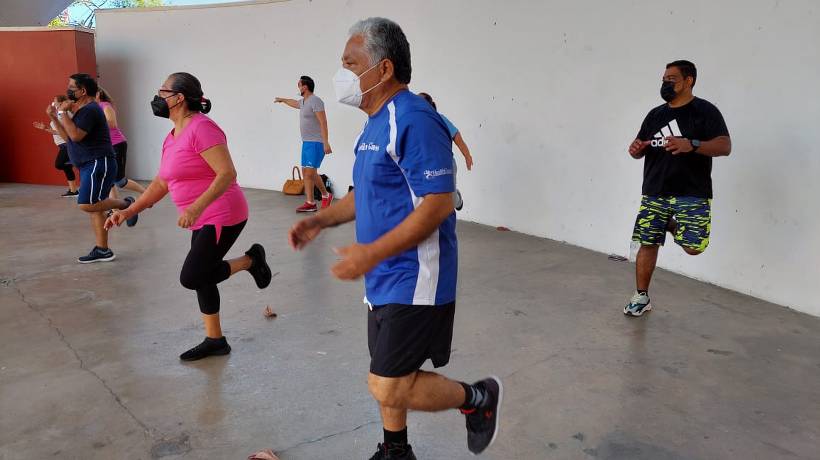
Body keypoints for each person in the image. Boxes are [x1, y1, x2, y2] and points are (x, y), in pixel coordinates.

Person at [287, 18, 501, 459]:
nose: (341, 73)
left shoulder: (416, 119)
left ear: (383, 69)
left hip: (417, 276)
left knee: (387, 382)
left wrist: (371, 253)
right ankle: (395, 450)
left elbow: (437, 204)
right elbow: (363, 194)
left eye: (350, 63)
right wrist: (321, 222)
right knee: (391, 375)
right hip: (383, 278)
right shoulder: (374, 123)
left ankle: (478, 399)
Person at [105, 72, 272, 361]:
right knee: (203, 275)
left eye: (162, 92)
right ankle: (215, 340)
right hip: (202, 218)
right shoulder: (172, 137)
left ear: (179, 97)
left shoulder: (202, 129)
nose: (158, 98)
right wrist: (129, 210)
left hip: (222, 213)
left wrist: (195, 207)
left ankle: (251, 261)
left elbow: (227, 173)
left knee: (193, 275)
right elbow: (161, 183)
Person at [625, 60, 731, 317]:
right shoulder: (655, 115)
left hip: (692, 192)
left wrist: (691, 144)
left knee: (695, 247)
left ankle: (671, 225)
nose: (665, 83)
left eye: (671, 78)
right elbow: (642, 146)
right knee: (647, 242)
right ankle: (641, 296)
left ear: (689, 80)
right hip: (655, 190)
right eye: (664, 78)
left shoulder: (705, 111)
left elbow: (724, 146)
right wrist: (636, 151)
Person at [47, 73, 139, 263]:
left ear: (82, 91)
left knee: (86, 203)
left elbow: (76, 136)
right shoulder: (81, 110)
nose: (68, 90)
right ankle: (103, 250)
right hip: (89, 164)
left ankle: (127, 204)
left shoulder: (90, 110)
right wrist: (54, 118)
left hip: (98, 162)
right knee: (96, 207)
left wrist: (63, 113)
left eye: (72, 87)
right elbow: (67, 138)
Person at [274, 76, 333, 212]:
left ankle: (325, 195)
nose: (298, 87)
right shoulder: (304, 102)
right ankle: (310, 202)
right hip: (306, 143)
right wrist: (283, 100)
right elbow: (294, 103)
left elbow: (323, 122)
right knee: (307, 172)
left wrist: (326, 142)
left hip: (316, 142)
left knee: (310, 173)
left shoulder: (316, 101)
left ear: (305, 87)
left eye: (299, 85)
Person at [417, 92, 473, 211]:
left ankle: (457, 198)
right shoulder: (415, 123)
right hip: (427, 166)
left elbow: (456, 136)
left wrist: (467, 155)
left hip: (447, 165)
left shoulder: (440, 119)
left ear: (428, 106)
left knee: (450, 200)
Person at [96, 87, 146, 198]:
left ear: (98, 94)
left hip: (117, 145)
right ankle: (114, 209)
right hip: (105, 147)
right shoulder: (93, 108)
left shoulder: (105, 105)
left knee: (120, 181)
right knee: (109, 180)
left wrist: (94, 124)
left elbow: (112, 124)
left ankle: (147, 194)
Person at [33, 94, 78, 197]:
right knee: (66, 167)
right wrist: (45, 128)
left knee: (60, 164)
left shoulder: (65, 114)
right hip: (62, 145)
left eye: (55, 101)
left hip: (66, 143)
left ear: (61, 103)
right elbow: (58, 130)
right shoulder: (58, 114)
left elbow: (65, 131)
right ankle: (73, 191)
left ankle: (76, 161)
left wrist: (48, 128)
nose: (53, 103)